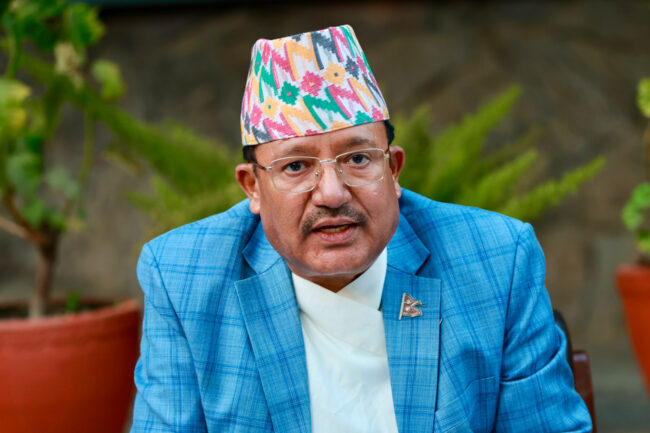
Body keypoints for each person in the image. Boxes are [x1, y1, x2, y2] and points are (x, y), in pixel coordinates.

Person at [131, 25, 592, 433]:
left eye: (357, 158)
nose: (332, 194)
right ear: (253, 187)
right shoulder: (184, 278)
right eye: (296, 166)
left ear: (393, 170)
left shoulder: (497, 260)